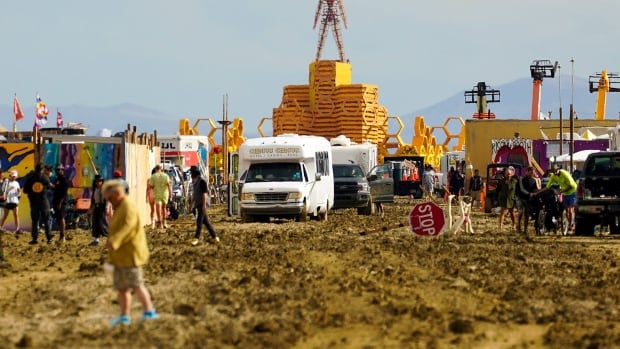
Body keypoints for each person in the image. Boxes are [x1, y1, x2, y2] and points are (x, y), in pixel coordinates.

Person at [103, 180, 159, 327]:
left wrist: (114, 240)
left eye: (110, 198)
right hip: (121, 256)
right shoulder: (120, 207)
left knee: (137, 285)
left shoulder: (128, 206)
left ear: (117, 194)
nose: (109, 202)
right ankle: (124, 316)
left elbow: (128, 227)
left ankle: (149, 312)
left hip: (131, 254)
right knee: (122, 288)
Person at [539, 164, 578, 234]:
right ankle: (569, 224)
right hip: (565, 193)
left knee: (570, 210)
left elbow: (571, 186)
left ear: (558, 170)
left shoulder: (565, 174)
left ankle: (571, 224)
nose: (555, 172)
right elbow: (547, 186)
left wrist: (561, 191)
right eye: (553, 171)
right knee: (566, 210)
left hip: (572, 191)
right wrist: (539, 192)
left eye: (555, 171)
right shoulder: (553, 176)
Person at [189, 166, 219, 245]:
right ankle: (215, 237)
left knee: (199, 221)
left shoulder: (202, 182)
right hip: (198, 204)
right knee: (206, 222)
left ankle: (196, 238)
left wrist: (204, 205)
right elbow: (194, 195)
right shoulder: (195, 182)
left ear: (195, 173)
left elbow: (204, 194)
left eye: (191, 173)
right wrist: (191, 205)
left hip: (202, 204)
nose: (190, 174)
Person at [23, 164, 52, 244]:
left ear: (35, 169)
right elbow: (50, 186)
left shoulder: (30, 178)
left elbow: (25, 191)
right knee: (46, 220)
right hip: (43, 201)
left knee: (35, 221)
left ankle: (34, 239)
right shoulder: (45, 178)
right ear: (42, 170)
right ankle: (49, 238)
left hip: (34, 202)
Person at [516, 166, 540, 235]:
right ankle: (518, 227)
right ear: (526, 172)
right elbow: (521, 189)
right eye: (530, 172)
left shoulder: (533, 180)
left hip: (528, 199)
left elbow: (536, 189)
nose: (531, 174)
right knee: (520, 212)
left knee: (526, 214)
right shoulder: (521, 179)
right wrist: (529, 194)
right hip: (520, 197)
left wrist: (537, 181)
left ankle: (525, 230)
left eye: (533, 173)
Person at [148, 165, 172, 229]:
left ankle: (160, 223)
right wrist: (170, 194)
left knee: (158, 208)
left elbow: (150, 187)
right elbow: (169, 186)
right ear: (161, 169)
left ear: (155, 169)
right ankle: (164, 222)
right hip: (164, 194)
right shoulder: (166, 176)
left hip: (157, 194)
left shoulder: (153, 176)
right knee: (164, 208)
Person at [89, 175, 109, 246]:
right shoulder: (95, 189)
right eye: (97, 181)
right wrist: (91, 208)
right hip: (96, 208)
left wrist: (106, 208)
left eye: (100, 181)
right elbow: (93, 200)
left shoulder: (104, 190)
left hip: (102, 208)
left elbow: (107, 200)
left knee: (103, 224)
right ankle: (96, 240)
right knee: (95, 224)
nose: (98, 183)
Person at [52, 165, 70, 242]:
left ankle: (63, 236)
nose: (58, 171)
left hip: (62, 201)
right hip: (56, 200)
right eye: (57, 169)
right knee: (58, 218)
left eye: (60, 169)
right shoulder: (57, 179)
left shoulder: (64, 179)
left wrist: (60, 202)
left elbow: (64, 192)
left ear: (62, 170)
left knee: (61, 217)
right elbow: (56, 188)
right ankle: (61, 235)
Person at [497, 166, 518, 231]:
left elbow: (513, 189)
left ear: (511, 174)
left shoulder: (514, 181)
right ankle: (500, 226)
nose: (508, 175)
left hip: (511, 199)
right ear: (505, 174)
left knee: (512, 212)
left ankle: (514, 225)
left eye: (509, 174)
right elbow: (498, 189)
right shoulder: (501, 181)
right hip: (503, 198)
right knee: (502, 212)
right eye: (507, 174)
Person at [0, 170, 20, 236]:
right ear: (10, 176)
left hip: (15, 201)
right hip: (8, 201)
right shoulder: (6, 182)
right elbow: (3, 190)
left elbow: (18, 194)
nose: (13, 177)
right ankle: (0, 227)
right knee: (5, 215)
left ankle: (17, 229)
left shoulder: (17, 183)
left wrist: (18, 192)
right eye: (12, 176)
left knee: (16, 215)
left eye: (15, 176)